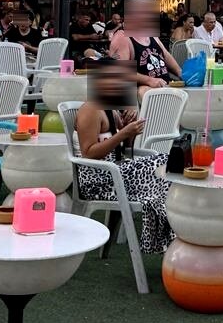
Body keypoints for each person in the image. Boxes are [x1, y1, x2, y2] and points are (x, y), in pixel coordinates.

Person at [74, 60, 174, 253]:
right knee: (162, 167)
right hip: (98, 180)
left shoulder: (111, 109)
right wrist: (122, 134)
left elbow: (124, 149)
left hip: (116, 172)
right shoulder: (91, 109)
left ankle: (167, 239)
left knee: (166, 164)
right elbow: (88, 153)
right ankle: (162, 242)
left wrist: (129, 132)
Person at [109, 0, 182, 101]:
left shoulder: (151, 34)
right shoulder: (122, 37)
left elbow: (166, 56)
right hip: (144, 90)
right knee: (144, 91)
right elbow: (119, 71)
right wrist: (149, 80)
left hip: (166, 85)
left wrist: (181, 73)